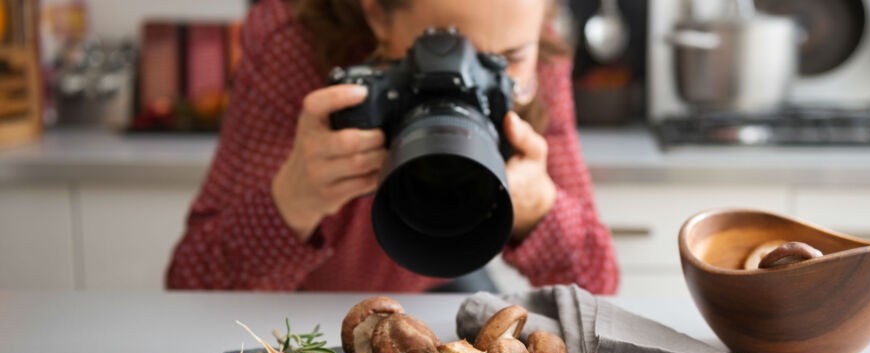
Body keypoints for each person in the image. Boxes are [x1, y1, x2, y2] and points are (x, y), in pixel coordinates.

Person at [166, 0, 619, 294]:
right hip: (298, 304)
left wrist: (540, 209)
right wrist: (292, 200)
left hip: (438, 283)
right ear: (377, 14)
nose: (467, 81)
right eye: (442, 50)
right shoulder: (292, 41)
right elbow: (192, 285)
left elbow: (599, 285)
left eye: (506, 60)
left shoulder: (538, 59)